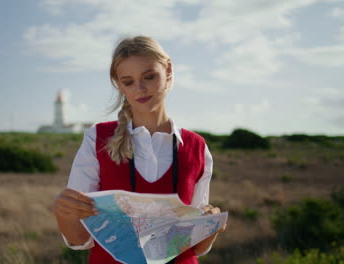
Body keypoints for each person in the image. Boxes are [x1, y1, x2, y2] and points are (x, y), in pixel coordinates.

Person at [52, 35, 226, 264]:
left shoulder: (197, 148)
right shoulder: (98, 139)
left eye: (149, 76)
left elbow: (195, 247)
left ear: (169, 70)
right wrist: (63, 212)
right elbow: (79, 239)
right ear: (118, 84)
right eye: (128, 81)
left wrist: (211, 226)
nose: (140, 89)